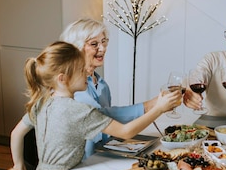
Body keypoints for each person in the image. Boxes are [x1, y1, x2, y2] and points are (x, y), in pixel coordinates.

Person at [9, 41, 180, 170]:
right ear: (62, 79)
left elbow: (16, 133)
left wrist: (17, 165)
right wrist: (159, 109)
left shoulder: (42, 101)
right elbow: (126, 132)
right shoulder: (78, 110)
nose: (87, 72)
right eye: (80, 70)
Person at [59, 18, 160, 158]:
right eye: (94, 44)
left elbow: (108, 130)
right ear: (76, 49)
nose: (102, 48)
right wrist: (151, 106)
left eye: (104, 41)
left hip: (102, 156)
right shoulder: (73, 87)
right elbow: (102, 116)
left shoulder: (101, 84)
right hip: (81, 162)